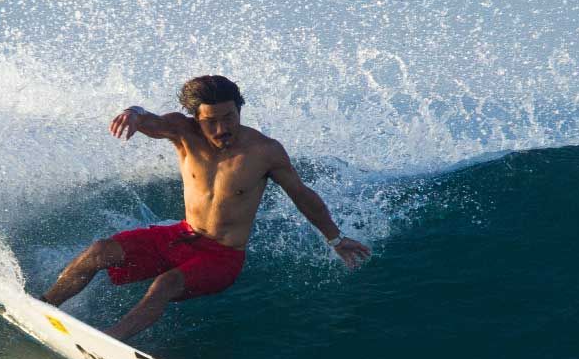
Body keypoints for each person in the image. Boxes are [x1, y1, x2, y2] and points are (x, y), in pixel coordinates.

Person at [40, 75, 371, 340]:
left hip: (222, 256)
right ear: (195, 119)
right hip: (182, 235)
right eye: (211, 121)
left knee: (165, 285)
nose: (222, 128)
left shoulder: (265, 151)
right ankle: (44, 307)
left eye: (230, 117)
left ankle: (108, 343)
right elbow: (149, 121)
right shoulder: (184, 133)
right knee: (99, 251)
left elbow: (302, 195)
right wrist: (133, 113)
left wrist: (335, 239)